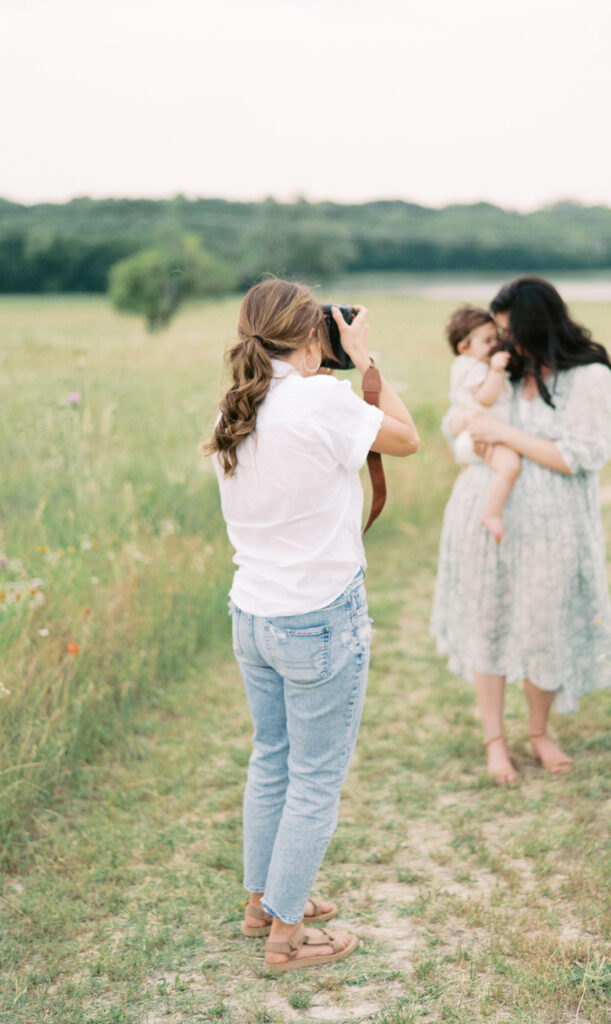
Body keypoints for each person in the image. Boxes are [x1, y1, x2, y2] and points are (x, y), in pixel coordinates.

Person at [204, 279, 419, 972]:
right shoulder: (322, 400)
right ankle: (287, 936)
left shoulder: (236, 406)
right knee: (316, 778)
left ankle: (264, 900)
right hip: (319, 619)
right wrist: (364, 357)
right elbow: (408, 440)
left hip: (254, 614)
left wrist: (333, 360)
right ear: (311, 334)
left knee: (273, 759)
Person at [430, 276, 611, 785]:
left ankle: (539, 732)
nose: (505, 341)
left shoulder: (589, 378)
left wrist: (506, 434)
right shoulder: (508, 370)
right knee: (488, 620)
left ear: (538, 325)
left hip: (554, 527)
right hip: (483, 514)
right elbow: (459, 424)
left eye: (512, 331)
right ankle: (495, 741)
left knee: (543, 623)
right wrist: (465, 428)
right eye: (500, 333)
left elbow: (579, 455)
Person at [445, 305, 521, 543]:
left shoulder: (473, 365)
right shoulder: (473, 367)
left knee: (467, 477)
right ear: (464, 347)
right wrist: (497, 371)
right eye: (487, 341)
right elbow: (486, 399)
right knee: (509, 465)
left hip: (475, 434)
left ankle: (460, 509)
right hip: (479, 433)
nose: (495, 345)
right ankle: (492, 514)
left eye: (496, 338)